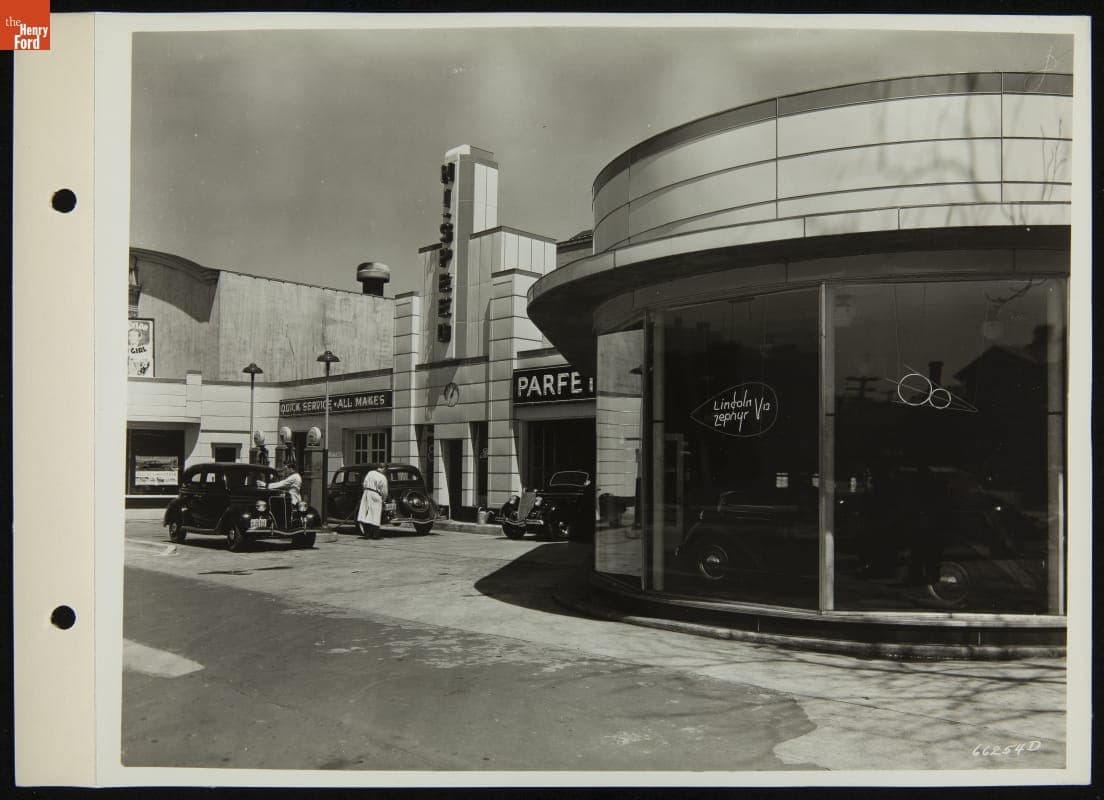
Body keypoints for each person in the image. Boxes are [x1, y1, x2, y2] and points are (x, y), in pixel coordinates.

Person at [357, 463, 389, 540]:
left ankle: (367, 534)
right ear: (384, 469)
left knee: (366, 513)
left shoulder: (370, 473)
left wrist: (366, 491)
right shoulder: (382, 477)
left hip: (366, 493)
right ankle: (375, 535)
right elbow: (384, 491)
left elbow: (364, 484)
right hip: (375, 494)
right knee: (375, 515)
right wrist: (383, 499)